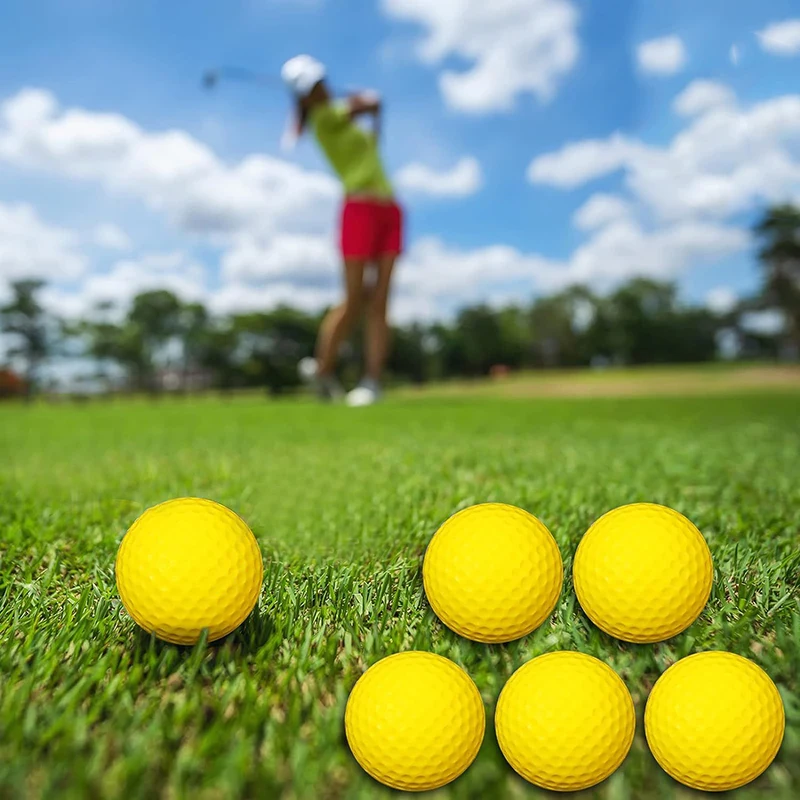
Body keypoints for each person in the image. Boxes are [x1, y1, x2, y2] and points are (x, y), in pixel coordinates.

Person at [281, 55, 403, 407]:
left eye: (319, 83)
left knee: (380, 300)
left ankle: (372, 382)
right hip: (358, 208)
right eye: (311, 89)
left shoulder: (340, 116)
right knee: (353, 301)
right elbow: (361, 107)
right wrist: (370, 102)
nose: (318, 92)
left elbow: (371, 138)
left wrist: (375, 110)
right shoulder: (323, 119)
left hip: (389, 207)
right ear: (303, 99)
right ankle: (323, 372)